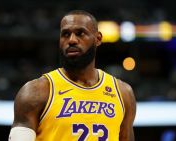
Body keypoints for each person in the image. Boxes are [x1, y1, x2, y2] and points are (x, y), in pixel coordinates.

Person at [8, 10, 136, 141]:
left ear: (97, 39)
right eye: (65, 34)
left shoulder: (123, 93)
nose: (72, 40)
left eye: (80, 33)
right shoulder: (35, 92)